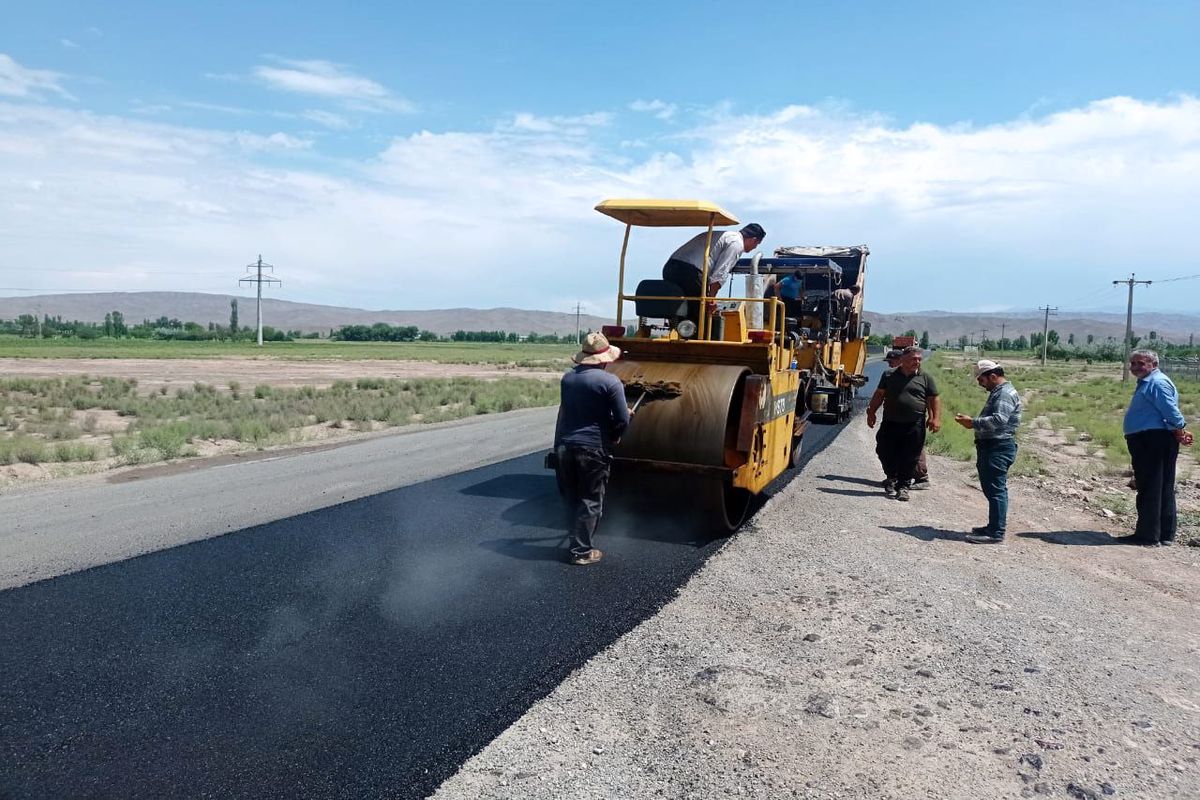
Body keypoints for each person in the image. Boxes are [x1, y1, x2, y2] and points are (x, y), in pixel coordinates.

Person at [554, 332, 632, 565]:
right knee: (590, 500)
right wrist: (616, 434)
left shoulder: (567, 379)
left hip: (565, 447)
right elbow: (622, 419)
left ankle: (575, 541)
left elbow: (573, 411)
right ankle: (581, 552)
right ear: (605, 359)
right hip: (592, 449)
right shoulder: (610, 382)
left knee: (571, 497)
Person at [1122, 349, 1194, 547]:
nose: (1135, 367)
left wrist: (1180, 429)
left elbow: (1170, 409)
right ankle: (1164, 534)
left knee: (1150, 486)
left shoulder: (1157, 382)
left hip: (1152, 439)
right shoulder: (1151, 382)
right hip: (1153, 438)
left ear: (1153, 364)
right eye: (1133, 363)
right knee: (1160, 486)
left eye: (1141, 363)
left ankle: (1147, 535)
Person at [953, 360, 1023, 544]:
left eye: (981, 379)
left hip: (997, 448)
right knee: (994, 489)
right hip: (993, 446)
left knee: (996, 491)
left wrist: (972, 422)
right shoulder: (999, 392)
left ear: (993, 376)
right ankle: (993, 527)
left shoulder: (1004, 394)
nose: (979, 383)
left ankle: (995, 533)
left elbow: (999, 420)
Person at [866, 346, 940, 501]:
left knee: (910, 456)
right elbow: (879, 394)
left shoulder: (925, 377)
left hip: (914, 423)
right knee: (883, 449)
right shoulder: (889, 375)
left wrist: (935, 418)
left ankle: (903, 487)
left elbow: (933, 398)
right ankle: (892, 476)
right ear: (903, 360)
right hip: (891, 421)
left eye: (919, 359)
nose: (917, 362)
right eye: (914, 359)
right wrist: (871, 412)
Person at [662, 223, 765, 326]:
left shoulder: (725, 235)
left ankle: (678, 329)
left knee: (683, 308)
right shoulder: (737, 244)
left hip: (670, 267)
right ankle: (699, 337)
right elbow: (720, 274)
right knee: (702, 315)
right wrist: (711, 299)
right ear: (753, 239)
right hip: (690, 272)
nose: (755, 247)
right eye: (757, 244)